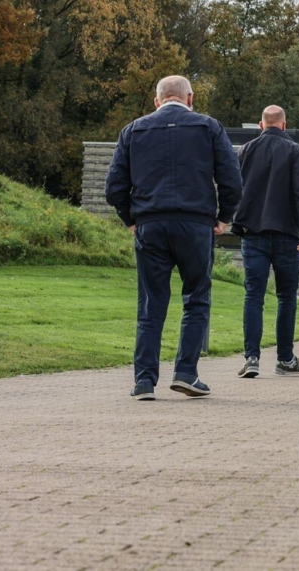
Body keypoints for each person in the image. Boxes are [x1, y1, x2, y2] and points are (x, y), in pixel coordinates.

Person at [105, 75, 242, 400]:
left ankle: (144, 381)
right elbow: (232, 180)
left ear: (157, 101)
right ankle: (185, 372)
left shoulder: (133, 130)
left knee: (151, 303)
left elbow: (114, 187)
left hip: (150, 223)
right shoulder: (209, 127)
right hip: (195, 223)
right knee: (196, 298)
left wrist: (130, 219)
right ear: (190, 98)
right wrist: (223, 218)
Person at [232, 105, 299, 378]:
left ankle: (252, 358)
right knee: (286, 297)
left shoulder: (245, 150)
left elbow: (235, 188)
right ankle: (285, 358)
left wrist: (236, 221)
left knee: (253, 296)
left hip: (253, 232)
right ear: (284, 124)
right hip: (287, 233)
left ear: (261, 124)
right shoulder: (294, 151)